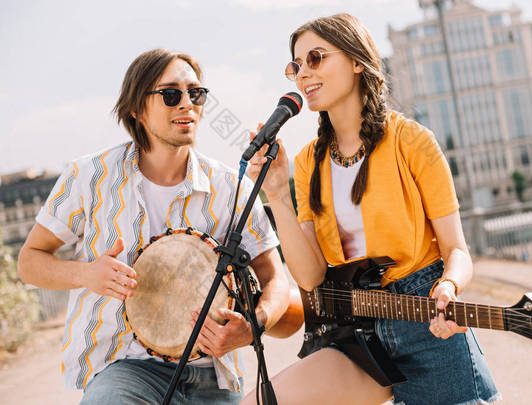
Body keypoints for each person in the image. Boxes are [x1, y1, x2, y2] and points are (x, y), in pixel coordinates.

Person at [243, 13, 500, 405]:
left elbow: (457, 252)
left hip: (426, 323)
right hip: (356, 332)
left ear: (357, 60)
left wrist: (448, 287)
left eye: (316, 58)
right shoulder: (307, 162)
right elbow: (310, 277)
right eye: (295, 66)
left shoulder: (411, 141)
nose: (302, 74)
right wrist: (277, 196)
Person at [17, 48, 289, 405]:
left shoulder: (229, 187)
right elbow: (30, 262)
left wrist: (255, 323)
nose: (187, 104)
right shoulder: (89, 176)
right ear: (136, 108)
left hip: (214, 372)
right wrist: (85, 274)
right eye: (171, 94)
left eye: (196, 93)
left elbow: (276, 279)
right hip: (125, 369)